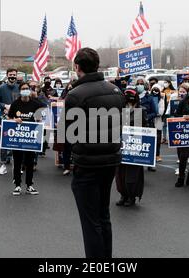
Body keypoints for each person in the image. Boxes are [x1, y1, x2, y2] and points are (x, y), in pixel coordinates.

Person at [62, 48, 125, 258]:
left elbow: (68, 134)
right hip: (110, 161)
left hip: (87, 164)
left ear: (77, 67)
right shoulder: (115, 91)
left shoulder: (75, 95)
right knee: (103, 216)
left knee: (91, 222)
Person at [8, 82, 43, 196]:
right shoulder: (15, 104)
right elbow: (9, 118)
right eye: (23, 88)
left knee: (29, 162)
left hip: (30, 138)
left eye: (27, 88)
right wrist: (14, 120)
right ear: (20, 91)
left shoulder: (35, 104)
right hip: (18, 138)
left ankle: (29, 185)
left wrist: (39, 119)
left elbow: (42, 116)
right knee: (17, 162)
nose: (25, 90)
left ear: (30, 90)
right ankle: (17, 185)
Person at [116, 88, 146, 207]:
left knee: (132, 174)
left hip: (135, 146)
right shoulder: (119, 111)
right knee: (120, 173)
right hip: (121, 145)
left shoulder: (141, 110)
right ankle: (123, 195)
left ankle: (132, 196)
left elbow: (147, 128)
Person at [0, 68, 20, 175]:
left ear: (16, 76)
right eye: (10, 74)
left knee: (17, 142)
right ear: (7, 75)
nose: (12, 76)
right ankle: (3, 164)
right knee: (4, 142)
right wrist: (4, 106)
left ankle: (18, 166)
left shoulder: (20, 88)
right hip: (6, 118)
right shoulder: (1, 88)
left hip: (18, 118)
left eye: (14, 74)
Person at [152, 84, 165, 162]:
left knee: (158, 138)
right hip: (150, 120)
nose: (155, 91)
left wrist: (154, 112)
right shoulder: (149, 98)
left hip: (158, 120)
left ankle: (157, 155)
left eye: (157, 90)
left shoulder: (161, 99)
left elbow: (161, 112)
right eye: (154, 89)